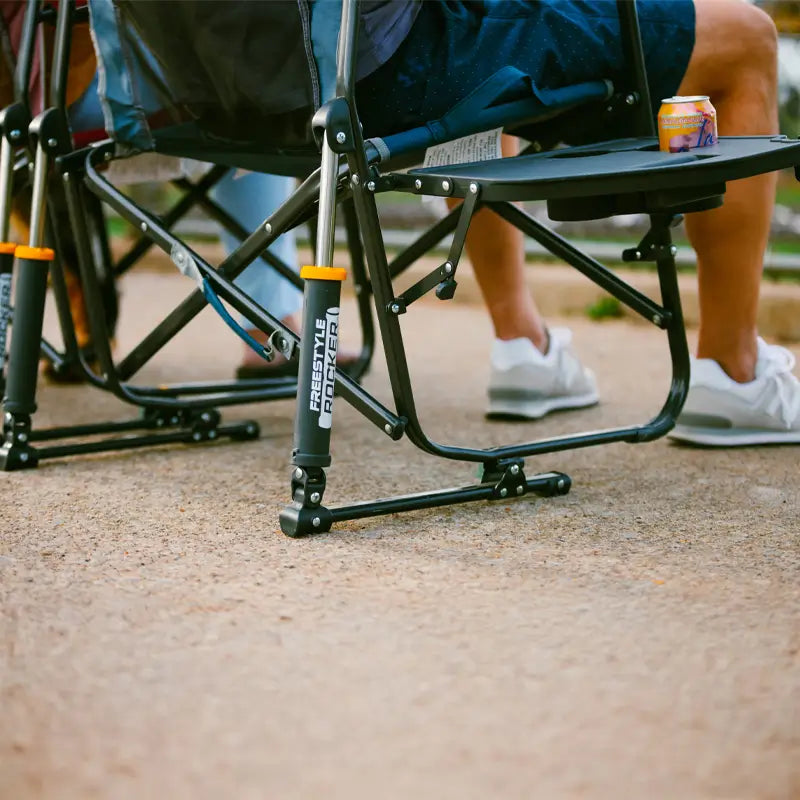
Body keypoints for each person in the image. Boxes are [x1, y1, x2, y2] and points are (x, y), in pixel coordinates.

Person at [351, 0, 800, 446]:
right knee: (747, 35)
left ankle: (523, 345)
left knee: (487, 72)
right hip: (404, 62)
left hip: (307, 90)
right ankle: (733, 369)